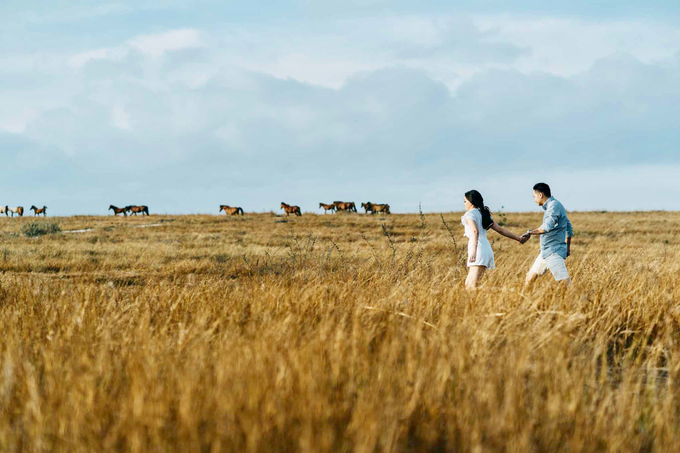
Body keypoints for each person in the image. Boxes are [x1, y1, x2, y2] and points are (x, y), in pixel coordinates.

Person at [461, 190, 527, 290]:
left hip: (478, 249)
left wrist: (473, 252)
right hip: (484, 248)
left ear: (471, 202)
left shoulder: (470, 214)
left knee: (471, 286)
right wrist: (518, 238)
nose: (464, 204)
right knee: (469, 285)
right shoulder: (483, 214)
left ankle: (507, 291)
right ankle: (503, 292)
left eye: (465, 201)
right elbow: (500, 230)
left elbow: (475, 231)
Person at [521, 183, 574, 284]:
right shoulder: (554, 205)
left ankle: (583, 300)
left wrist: (529, 232)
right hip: (546, 251)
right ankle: (525, 299)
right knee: (529, 278)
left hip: (553, 252)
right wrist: (567, 248)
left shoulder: (554, 206)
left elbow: (547, 227)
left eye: (534, 196)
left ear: (540, 195)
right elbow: (569, 228)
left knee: (565, 283)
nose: (534, 199)